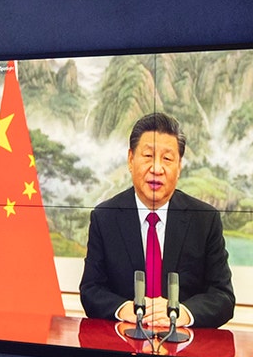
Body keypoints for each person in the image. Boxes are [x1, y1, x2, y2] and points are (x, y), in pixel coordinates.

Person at [80, 112, 235, 329]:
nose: (156, 168)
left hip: (184, 350)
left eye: (167, 159)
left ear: (179, 166)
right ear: (131, 160)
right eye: (148, 156)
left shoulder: (204, 220)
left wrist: (182, 312)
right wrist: (126, 309)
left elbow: (223, 296)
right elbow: (91, 290)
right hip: (125, 347)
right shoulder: (105, 217)